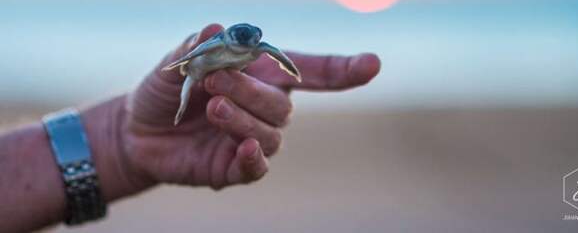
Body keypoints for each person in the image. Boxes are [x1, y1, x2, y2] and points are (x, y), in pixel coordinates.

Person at [0, 23, 381, 233]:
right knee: (186, 93)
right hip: (197, 71)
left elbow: (272, 53)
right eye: (242, 37)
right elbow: (194, 55)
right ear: (230, 36)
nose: (250, 43)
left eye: (255, 40)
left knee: (222, 99)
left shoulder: (259, 47)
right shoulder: (216, 41)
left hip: (158, 123)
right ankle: (180, 105)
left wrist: (117, 147)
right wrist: (178, 63)